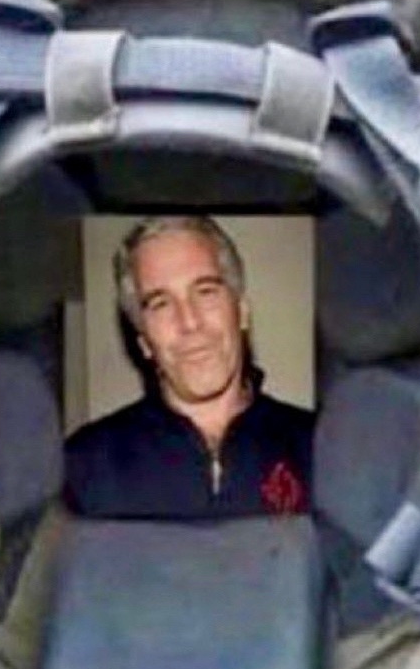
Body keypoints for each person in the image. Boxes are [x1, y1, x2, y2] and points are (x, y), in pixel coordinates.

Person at [65, 218, 315, 521]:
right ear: (143, 340)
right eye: (161, 304)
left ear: (242, 312)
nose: (190, 322)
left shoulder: (321, 449)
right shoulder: (85, 466)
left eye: (205, 291)